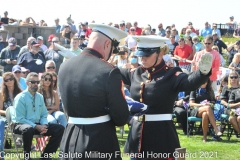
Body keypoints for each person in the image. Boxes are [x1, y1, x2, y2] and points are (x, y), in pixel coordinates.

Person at [120, 35, 213, 159]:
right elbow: (113, 73)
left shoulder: (171, 74)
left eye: (147, 55)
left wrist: (203, 73)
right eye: (140, 55)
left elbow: (189, 82)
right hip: (137, 137)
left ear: (160, 53)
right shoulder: (137, 73)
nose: (142, 58)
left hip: (161, 138)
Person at [58, 23, 129, 159]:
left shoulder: (64, 66)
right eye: (113, 49)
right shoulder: (109, 71)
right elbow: (121, 117)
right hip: (99, 139)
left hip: (70, 137)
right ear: (107, 44)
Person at [11, 72, 64, 159]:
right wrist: (36, 126)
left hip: (36, 125)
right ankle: (27, 157)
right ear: (27, 83)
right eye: (33, 82)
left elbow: (43, 114)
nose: (35, 84)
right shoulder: (20, 97)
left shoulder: (39, 97)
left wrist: (44, 124)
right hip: (20, 125)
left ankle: (46, 156)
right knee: (28, 129)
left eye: (37, 82)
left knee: (59, 129)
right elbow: (19, 118)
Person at [0, 72, 22, 159]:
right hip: (6, 117)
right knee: (1, 122)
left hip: (19, 117)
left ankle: (24, 141)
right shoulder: (1, 93)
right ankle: (1, 154)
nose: (9, 81)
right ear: (4, 82)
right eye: (6, 80)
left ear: (14, 80)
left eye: (11, 79)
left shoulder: (21, 93)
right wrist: (8, 112)